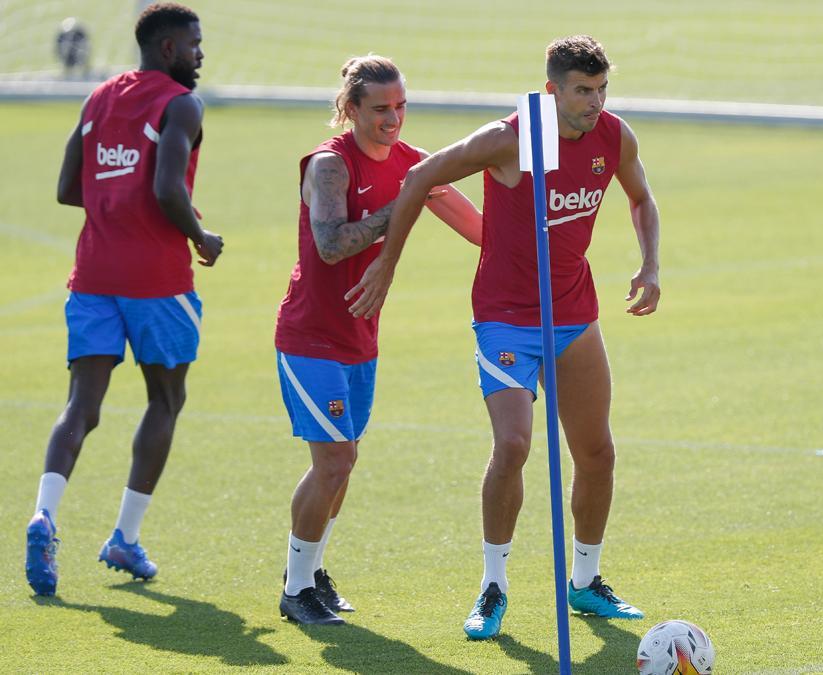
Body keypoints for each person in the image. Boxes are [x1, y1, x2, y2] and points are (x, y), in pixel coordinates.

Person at [347, 35, 661, 640]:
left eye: (600, 91)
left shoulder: (614, 136)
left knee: (596, 452)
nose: (593, 103)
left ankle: (586, 582)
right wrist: (386, 264)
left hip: (573, 315)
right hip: (505, 317)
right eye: (580, 92)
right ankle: (494, 585)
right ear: (552, 90)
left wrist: (650, 264)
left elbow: (642, 198)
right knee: (514, 443)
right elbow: (420, 176)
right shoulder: (511, 137)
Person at [275, 55, 482, 625]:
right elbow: (332, 245)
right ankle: (295, 590)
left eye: (401, 106)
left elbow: (480, 230)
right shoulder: (328, 167)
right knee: (335, 460)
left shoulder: (414, 164)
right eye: (380, 110)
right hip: (309, 338)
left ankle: (311, 572)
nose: (394, 120)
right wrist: (408, 202)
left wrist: (533, 241)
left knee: (344, 461)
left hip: (361, 339)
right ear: (350, 109)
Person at [24, 2, 223, 597]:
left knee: (80, 407)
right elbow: (166, 188)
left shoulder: (98, 98)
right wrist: (200, 236)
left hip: (91, 278)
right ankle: (124, 538)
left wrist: (112, 211)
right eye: (194, 43)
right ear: (168, 49)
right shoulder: (181, 105)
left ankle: (44, 514)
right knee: (165, 400)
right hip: (158, 283)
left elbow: (67, 188)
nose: (200, 53)